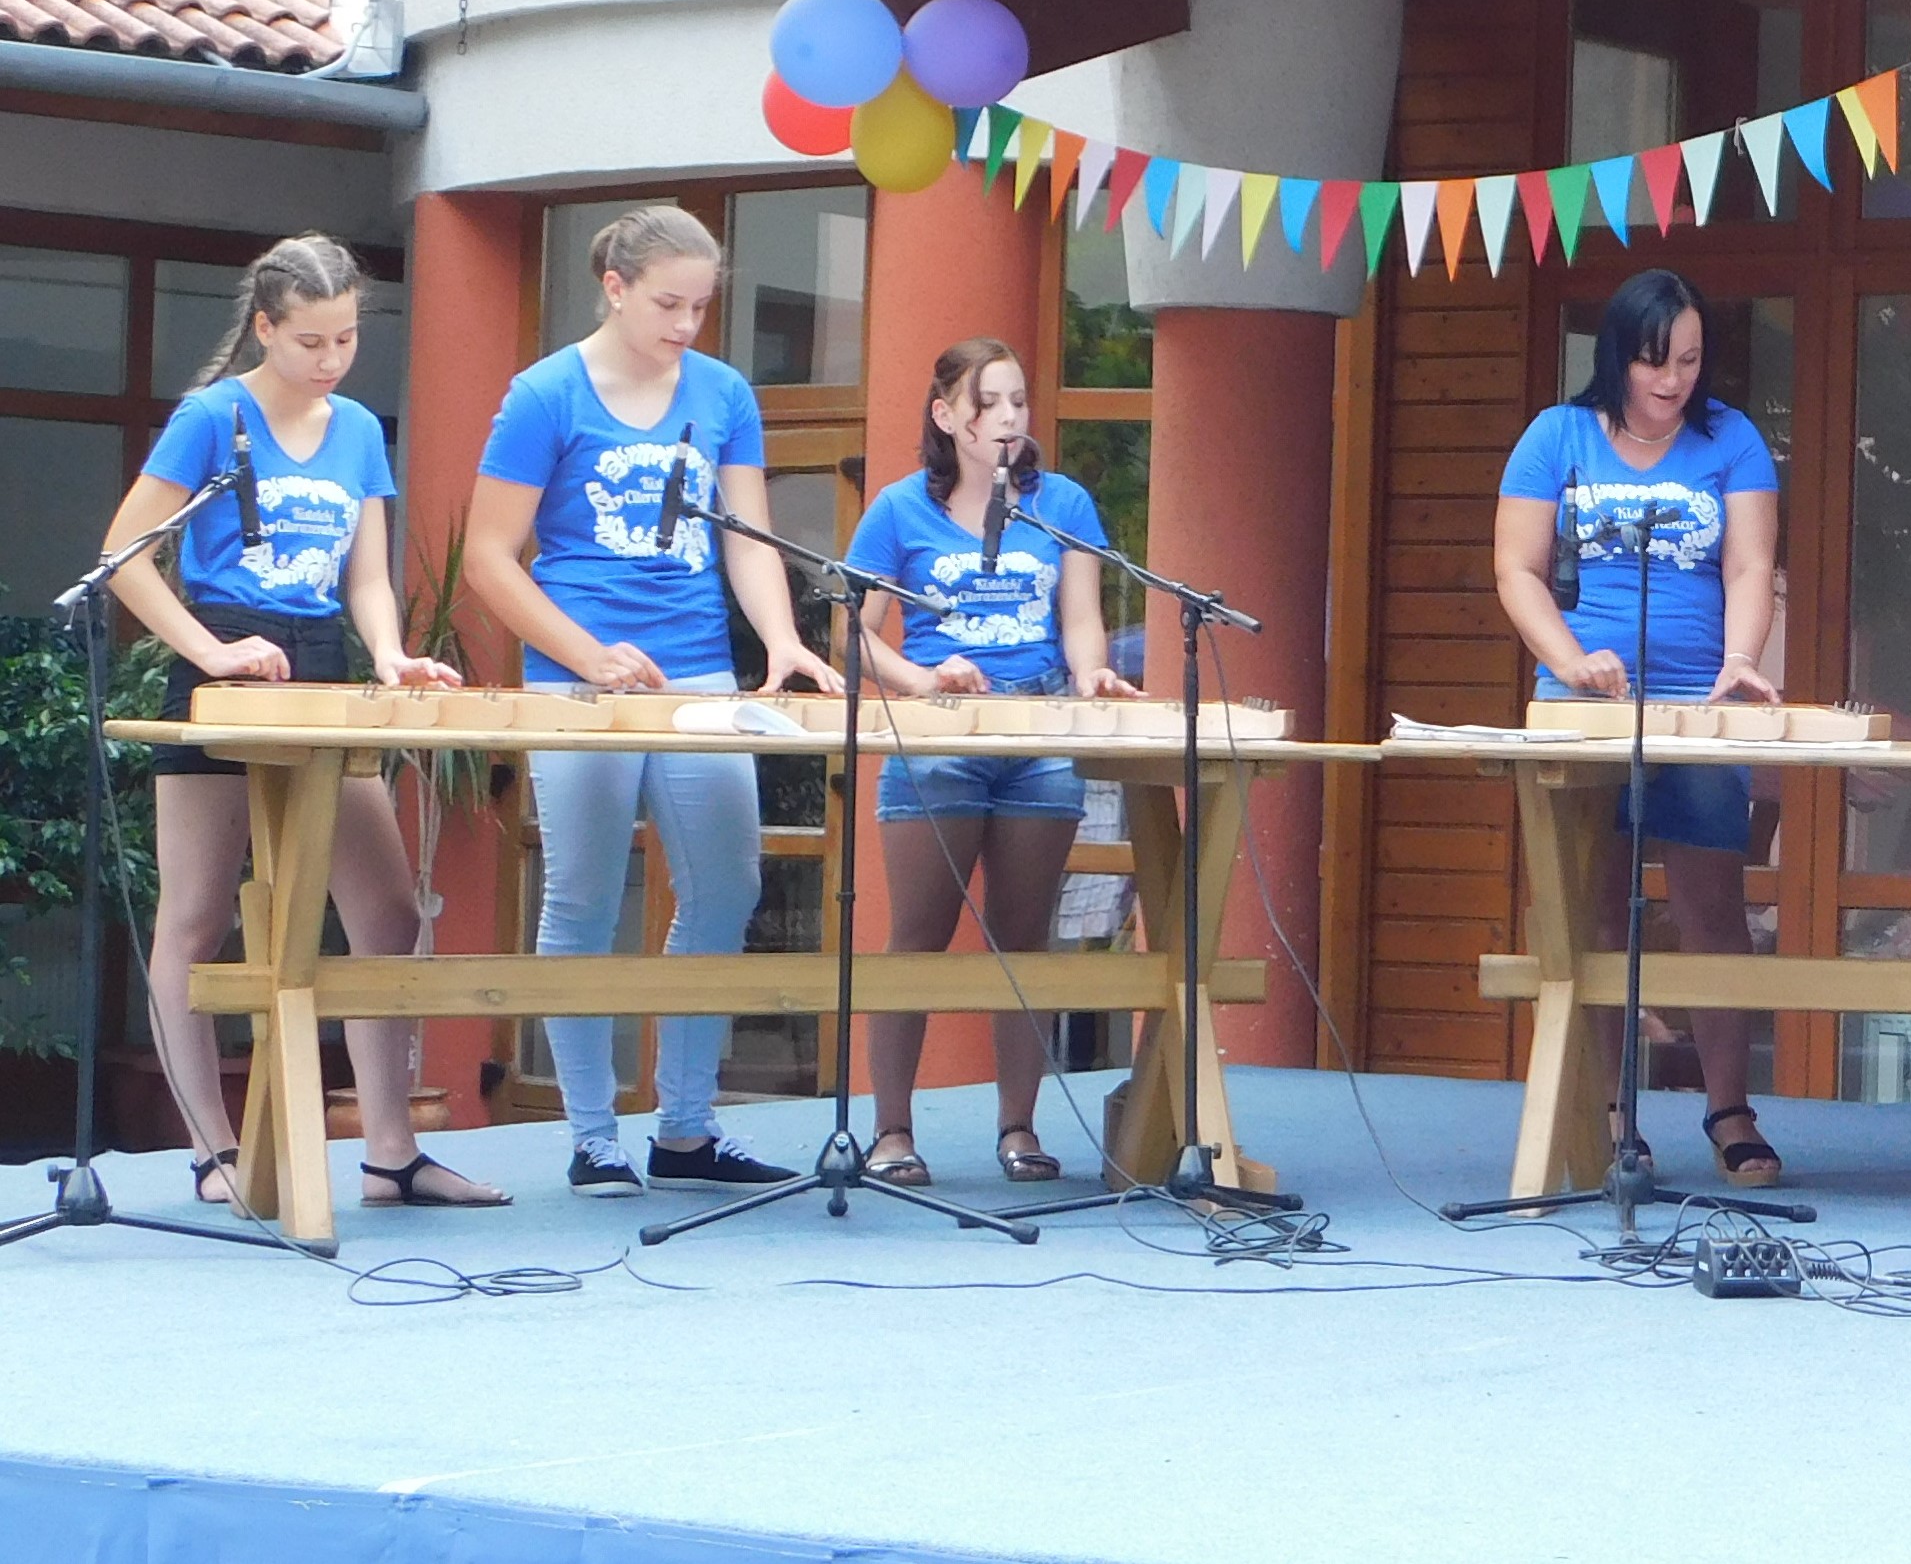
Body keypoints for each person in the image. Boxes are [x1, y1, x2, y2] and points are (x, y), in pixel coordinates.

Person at [99, 237, 506, 1211]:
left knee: (388, 910)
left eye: (347, 339)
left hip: (321, 658)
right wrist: (210, 651)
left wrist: (391, 653)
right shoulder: (213, 416)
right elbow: (123, 554)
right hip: (227, 658)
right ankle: (213, 1149)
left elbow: (366, 574)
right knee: (195, 915)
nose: (331, 359)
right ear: (265, 328)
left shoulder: (357, 428)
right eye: (310, 341)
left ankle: (391, 1151)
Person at [462, 206, 838, 1197]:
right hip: (577, 676)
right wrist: (589, 655)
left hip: (699, 672)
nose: (686, 324)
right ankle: (594, 1136)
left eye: (701, 306)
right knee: (583, 895)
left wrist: (782, 637)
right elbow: (489, 557)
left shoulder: (722, 393)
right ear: (615, 287)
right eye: (669, 303)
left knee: (725, 884)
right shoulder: (545, 393)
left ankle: (686, 1126)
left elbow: (745, 536)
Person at [1495, 270, 1788, 1185]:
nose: (1672, 380)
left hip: (1698, 702)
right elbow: (1516, 570)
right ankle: (1607, 1109)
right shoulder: (1558, 435)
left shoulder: (1730, 438)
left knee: (1712, 907)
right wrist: (1571, 658)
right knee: (1591, 909)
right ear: (1618, 355)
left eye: (1690, 361)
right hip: (1585, 706)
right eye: (1656, 361)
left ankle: (1728, 1108)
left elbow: (1749, 566)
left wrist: (1740, 658)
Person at [843, 339, 1146, 1189]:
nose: (1010, 418)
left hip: (1038, 729)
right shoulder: (898, 508)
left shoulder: (1062, 503)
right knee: (918, 936)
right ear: (948, 417)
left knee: (1023, 935)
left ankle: (1019, 1126)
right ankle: (891, 1131)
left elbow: (1079, 618)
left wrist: (1091, 673)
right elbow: (853, 634)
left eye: (1018, 400)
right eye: (990, 403)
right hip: (937, 733)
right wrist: (922, 679)